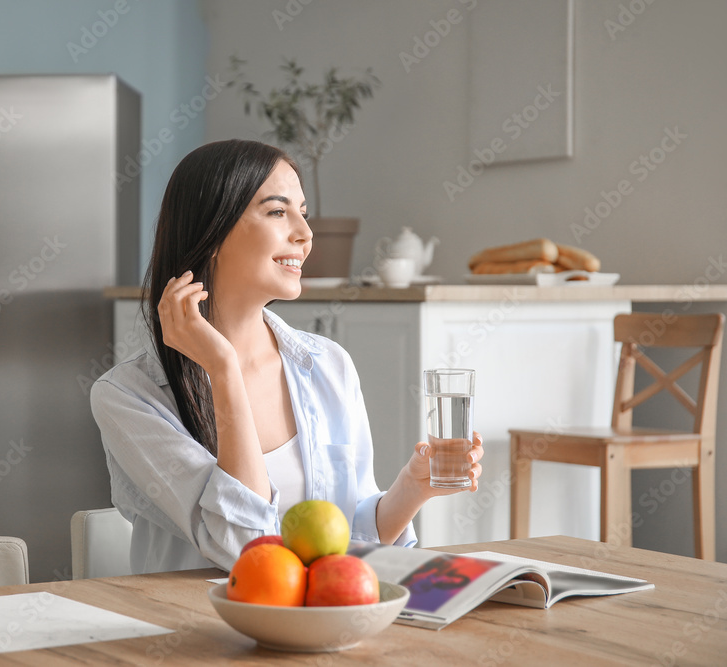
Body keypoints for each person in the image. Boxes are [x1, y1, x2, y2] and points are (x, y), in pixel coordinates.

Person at [90, 139, 483, 574]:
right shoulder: (128, 396)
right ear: (212, 232)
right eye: (278, 212)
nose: (305, 234)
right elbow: (247, 549)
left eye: (303, 213)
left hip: (322, 626)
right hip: (197, 630)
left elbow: (346, 543)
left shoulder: (329, 365)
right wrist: (224, 370)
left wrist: (412, 487)